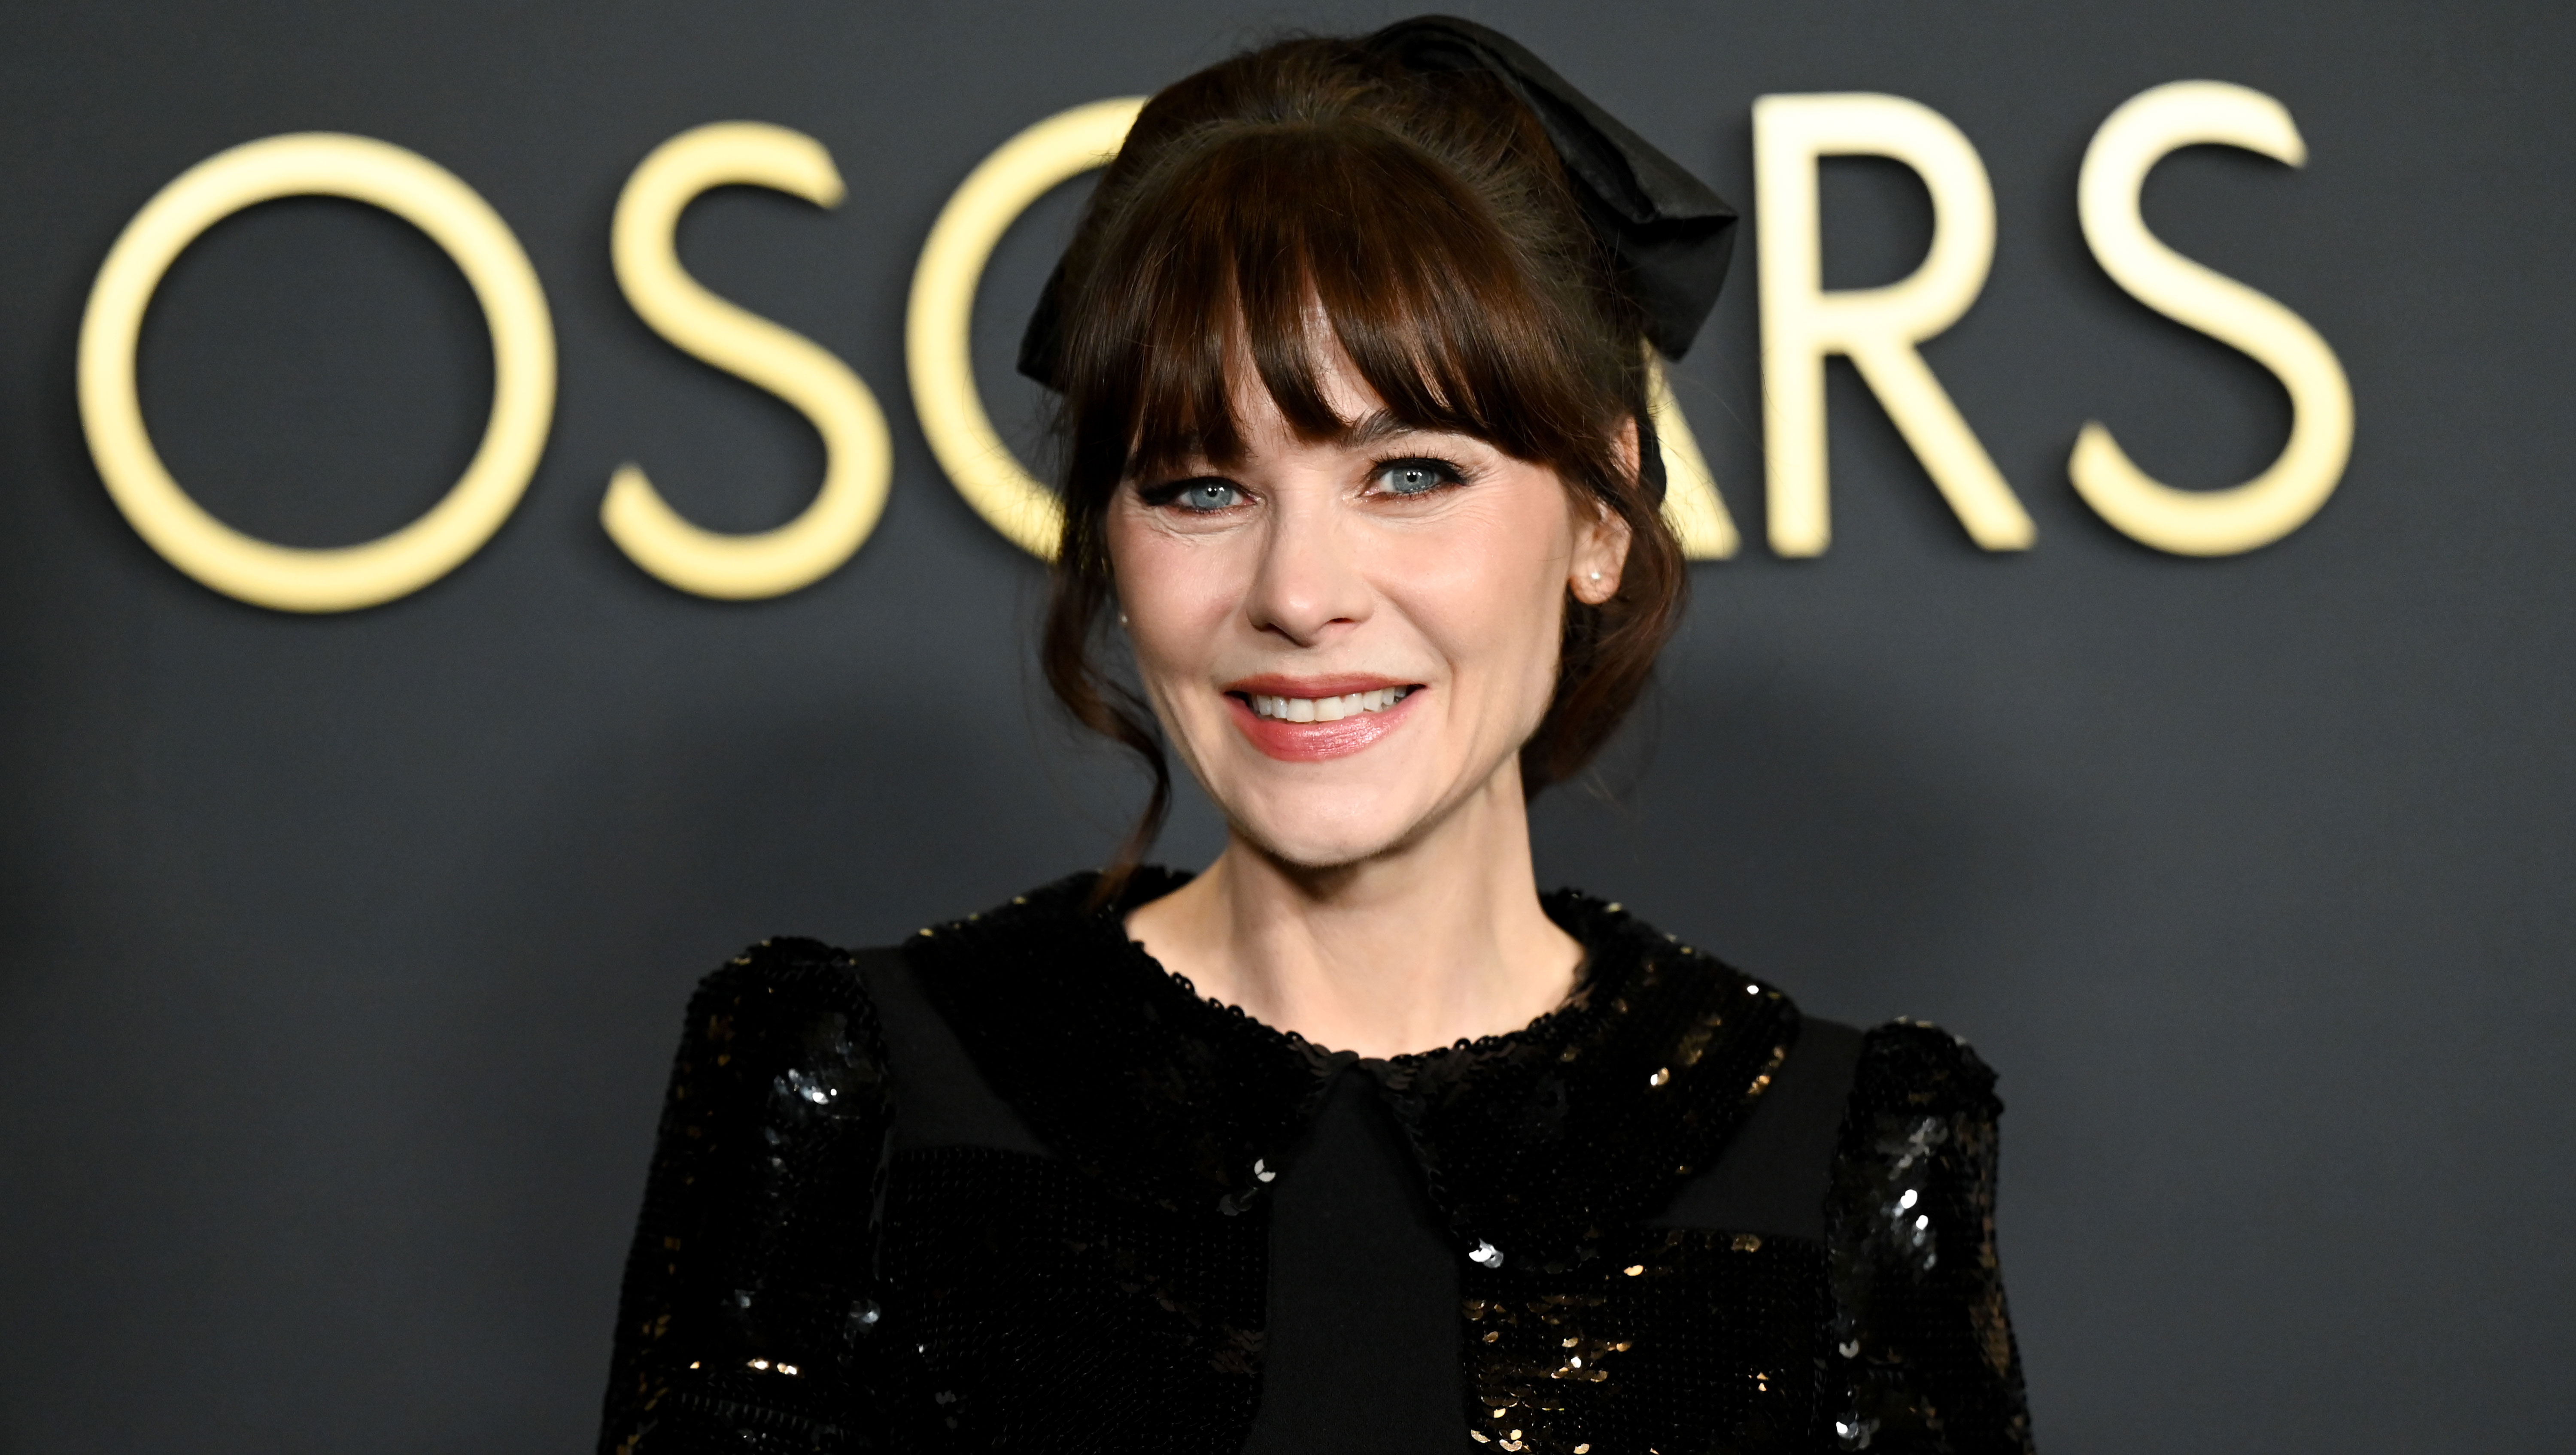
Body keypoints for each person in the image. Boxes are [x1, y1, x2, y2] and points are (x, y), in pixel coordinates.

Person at [598, 18, 2033, 1455]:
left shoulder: (1832, 1141)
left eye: (1409, 473)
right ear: (1106, 540)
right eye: (1201, 488)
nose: (1298, 596)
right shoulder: (861, 1088)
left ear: (1603, 511)